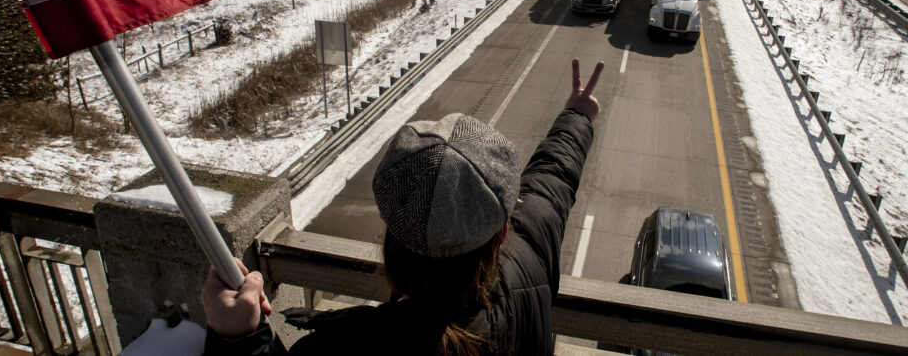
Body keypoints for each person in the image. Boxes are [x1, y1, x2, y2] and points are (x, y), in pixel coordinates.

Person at [201, 58, 605, 355]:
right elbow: (553, 178)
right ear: (503, 230)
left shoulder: (347, 350)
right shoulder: (530, 242)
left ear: (389, 227)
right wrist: (577, 116)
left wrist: (239, 339)